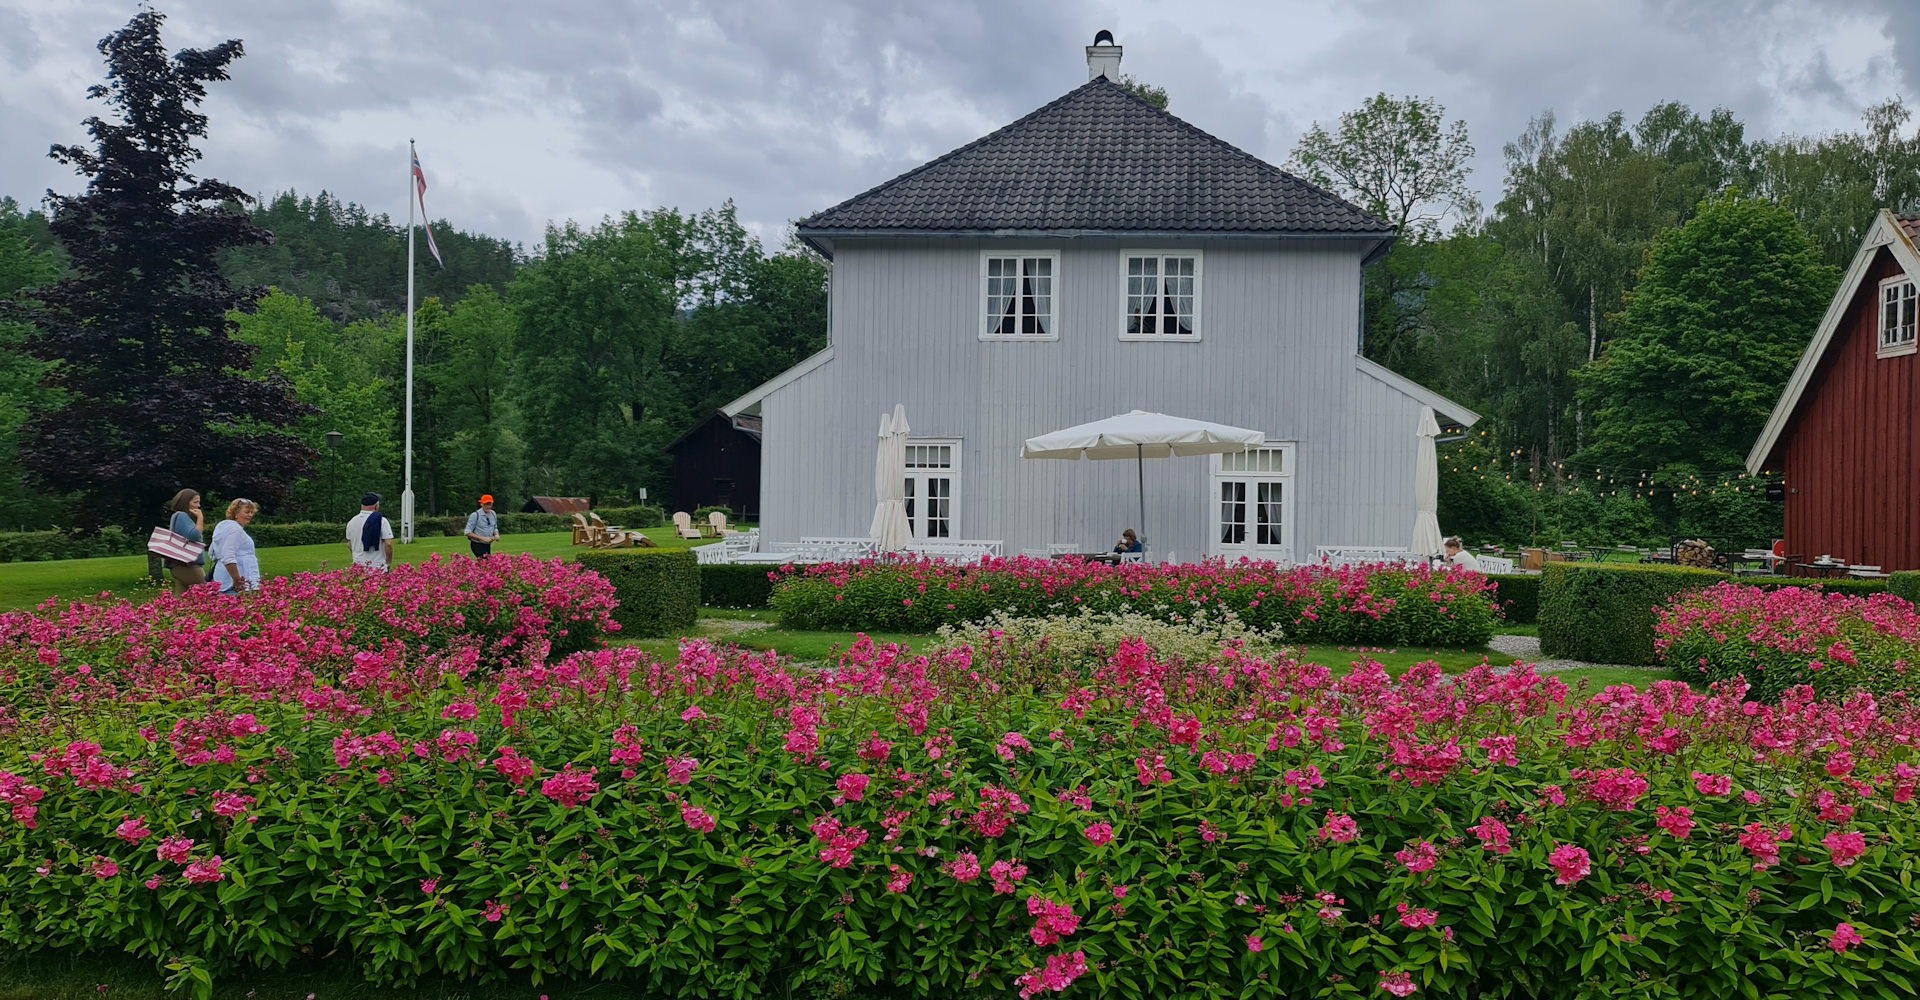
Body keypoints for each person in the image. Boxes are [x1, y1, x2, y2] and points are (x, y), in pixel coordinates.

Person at [209, 498, 262, 593]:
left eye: (251, 512)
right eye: (246, 512)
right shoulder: (235, 530)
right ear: (236, 513)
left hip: (222, 577)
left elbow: (212, 553)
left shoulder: (223, 527)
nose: (250, 515)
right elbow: (228, 555)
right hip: (234, 583)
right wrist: (237, 580)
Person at [164, 488, 207, 594]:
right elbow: (195, 536)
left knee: (180, 601)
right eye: (195, 502)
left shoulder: (176, 516)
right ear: (185, 502)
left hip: (178, 565)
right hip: (189, 566)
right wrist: (200, 518)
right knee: (207, 595)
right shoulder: (182, 516)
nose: (198, 506)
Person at [344, 492, 394, 571]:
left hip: (358, 567)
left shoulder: (351, 522)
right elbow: (388, 544)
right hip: (377, 566)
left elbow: (349, 545)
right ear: (376, 506)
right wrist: (388, 563)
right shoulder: (382, 521)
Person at [465, 494, 500, 559]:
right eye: (486, 504)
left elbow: (495, 527)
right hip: (477, 544)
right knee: (485, 563)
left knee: (488, 564)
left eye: (489, 504)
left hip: (488, 544)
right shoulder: (475, 515)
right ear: (481, 504)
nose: (488, 506)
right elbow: (467, 532)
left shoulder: (493, 514)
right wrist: (483, 538)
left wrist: (496, 534)